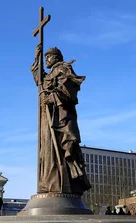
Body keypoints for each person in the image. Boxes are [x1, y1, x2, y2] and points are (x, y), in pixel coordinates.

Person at [31, 44, 91, 195]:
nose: (46, 60)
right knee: (46, 149)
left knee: (61, 148)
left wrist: (51, 97)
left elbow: (69, 89)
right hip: (48, 118)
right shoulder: (51, 73)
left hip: (61, 119)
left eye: (48, 57)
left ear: (56, 57)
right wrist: (36, 59)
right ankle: (49, 183)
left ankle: (61, 185)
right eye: (44, 58)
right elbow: (40, 81)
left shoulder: (63, 69)